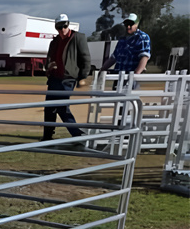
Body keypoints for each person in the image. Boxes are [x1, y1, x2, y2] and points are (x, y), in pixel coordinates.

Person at [42, 13, 91, 142]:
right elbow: (48, 60)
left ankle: (77, 135)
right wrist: (49, 66)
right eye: (59, 27)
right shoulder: (54, 42)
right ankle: (47, 136)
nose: (62, 30)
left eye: (64, 26)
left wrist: (82, 76)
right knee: (49, 108)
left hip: (68, 78)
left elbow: (85, 58)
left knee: (62, 107)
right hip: (54, 78)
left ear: (68, 25)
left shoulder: (78, 38)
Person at [99, 13, 150, 86]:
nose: (128, 27)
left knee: (129, 96)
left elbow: (144, 56)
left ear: (136, 24)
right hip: (119, 75)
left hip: (131, 75)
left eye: (131, 24)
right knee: (115, 96)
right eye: (126, 24)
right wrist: (103, 69)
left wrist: (136, 74)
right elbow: (114, 57)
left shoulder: (142, 37)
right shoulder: (122, 39)